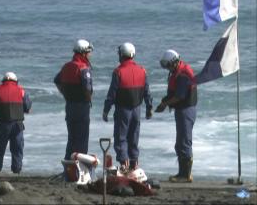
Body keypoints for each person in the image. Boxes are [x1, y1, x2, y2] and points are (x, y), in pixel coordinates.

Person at [102, 43, 153, 172]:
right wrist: (149, 108)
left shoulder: (118, 72)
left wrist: (106, 110)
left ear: (121, 55)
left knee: (121, 137)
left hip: (123, 110)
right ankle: (134, 164)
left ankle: (124, 165)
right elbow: (147, 92)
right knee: (134, 136)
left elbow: (112, 94)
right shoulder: (142, 70)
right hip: (137, 109)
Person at [155, 49, 197, 183]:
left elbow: (179, 96)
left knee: (184, 142)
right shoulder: (177, 71)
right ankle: (182, 173)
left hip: (186, 110)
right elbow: (174, 93)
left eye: (168, 65)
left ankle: (185, 175)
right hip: (183, 110)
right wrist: (164, 101)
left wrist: (164, 104)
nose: (167, 68)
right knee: (180, 144)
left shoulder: (183, 75)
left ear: (174, 62)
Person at [54, 39, 94, 160]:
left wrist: (64, 93)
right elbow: (87, 88)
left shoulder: (67, 66)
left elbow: (57, 80)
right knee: (82, 139)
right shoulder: (83, 68)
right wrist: (89, 99)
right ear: (83, 53)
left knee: (72, 138)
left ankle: (68, 165)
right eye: (88, 52)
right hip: (82, 107)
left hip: (70, 106)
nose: (90, 54)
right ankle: (80, 167)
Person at [0, 72, 32, 173]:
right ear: (15, 81)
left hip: (2, 124)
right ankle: (16, 169)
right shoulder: (21, 91)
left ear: (4, 80)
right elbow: (27, 106)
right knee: (17, 149)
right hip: (17, 125)